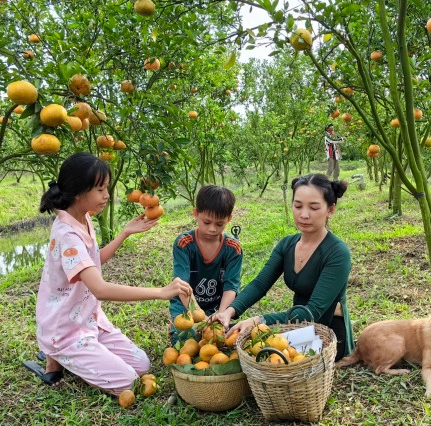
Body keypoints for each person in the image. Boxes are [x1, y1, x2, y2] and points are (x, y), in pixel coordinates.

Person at [23, 152, 192, 395]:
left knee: (142, 366)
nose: (107, 195)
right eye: (100, 189)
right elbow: (99, 288)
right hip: (66, 329)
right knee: (129, 383)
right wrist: (161, 292)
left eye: (106, 188)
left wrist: (125, 232)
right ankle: (58, 355)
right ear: (79, 192)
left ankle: (67, 358)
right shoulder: (67, 234)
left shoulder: (82, 218)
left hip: (88, 319)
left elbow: (92, 261)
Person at [212, 174, 355, 360]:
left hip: (327, 333)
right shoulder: (287, 245)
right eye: (298, 206)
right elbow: (260, 284)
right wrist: (229, 312)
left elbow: (313, 312)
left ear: (330, 210)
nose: (304, 214)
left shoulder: (337, 253)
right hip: (294, 326)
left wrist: (259, 321)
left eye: (313, 207)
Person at [169, 184, 242, 343]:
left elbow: (231, 286)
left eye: (219, 224)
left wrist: (221, 317)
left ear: (229, 219)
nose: (212, 229)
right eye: (206, 222)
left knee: (229, 338)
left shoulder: (233, 249)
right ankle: (175, 329)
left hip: (216, 306)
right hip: (186, 306)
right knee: (184, 338)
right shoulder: (184, 244)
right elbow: (181, 285)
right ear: (196, 213)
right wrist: (200, 316)